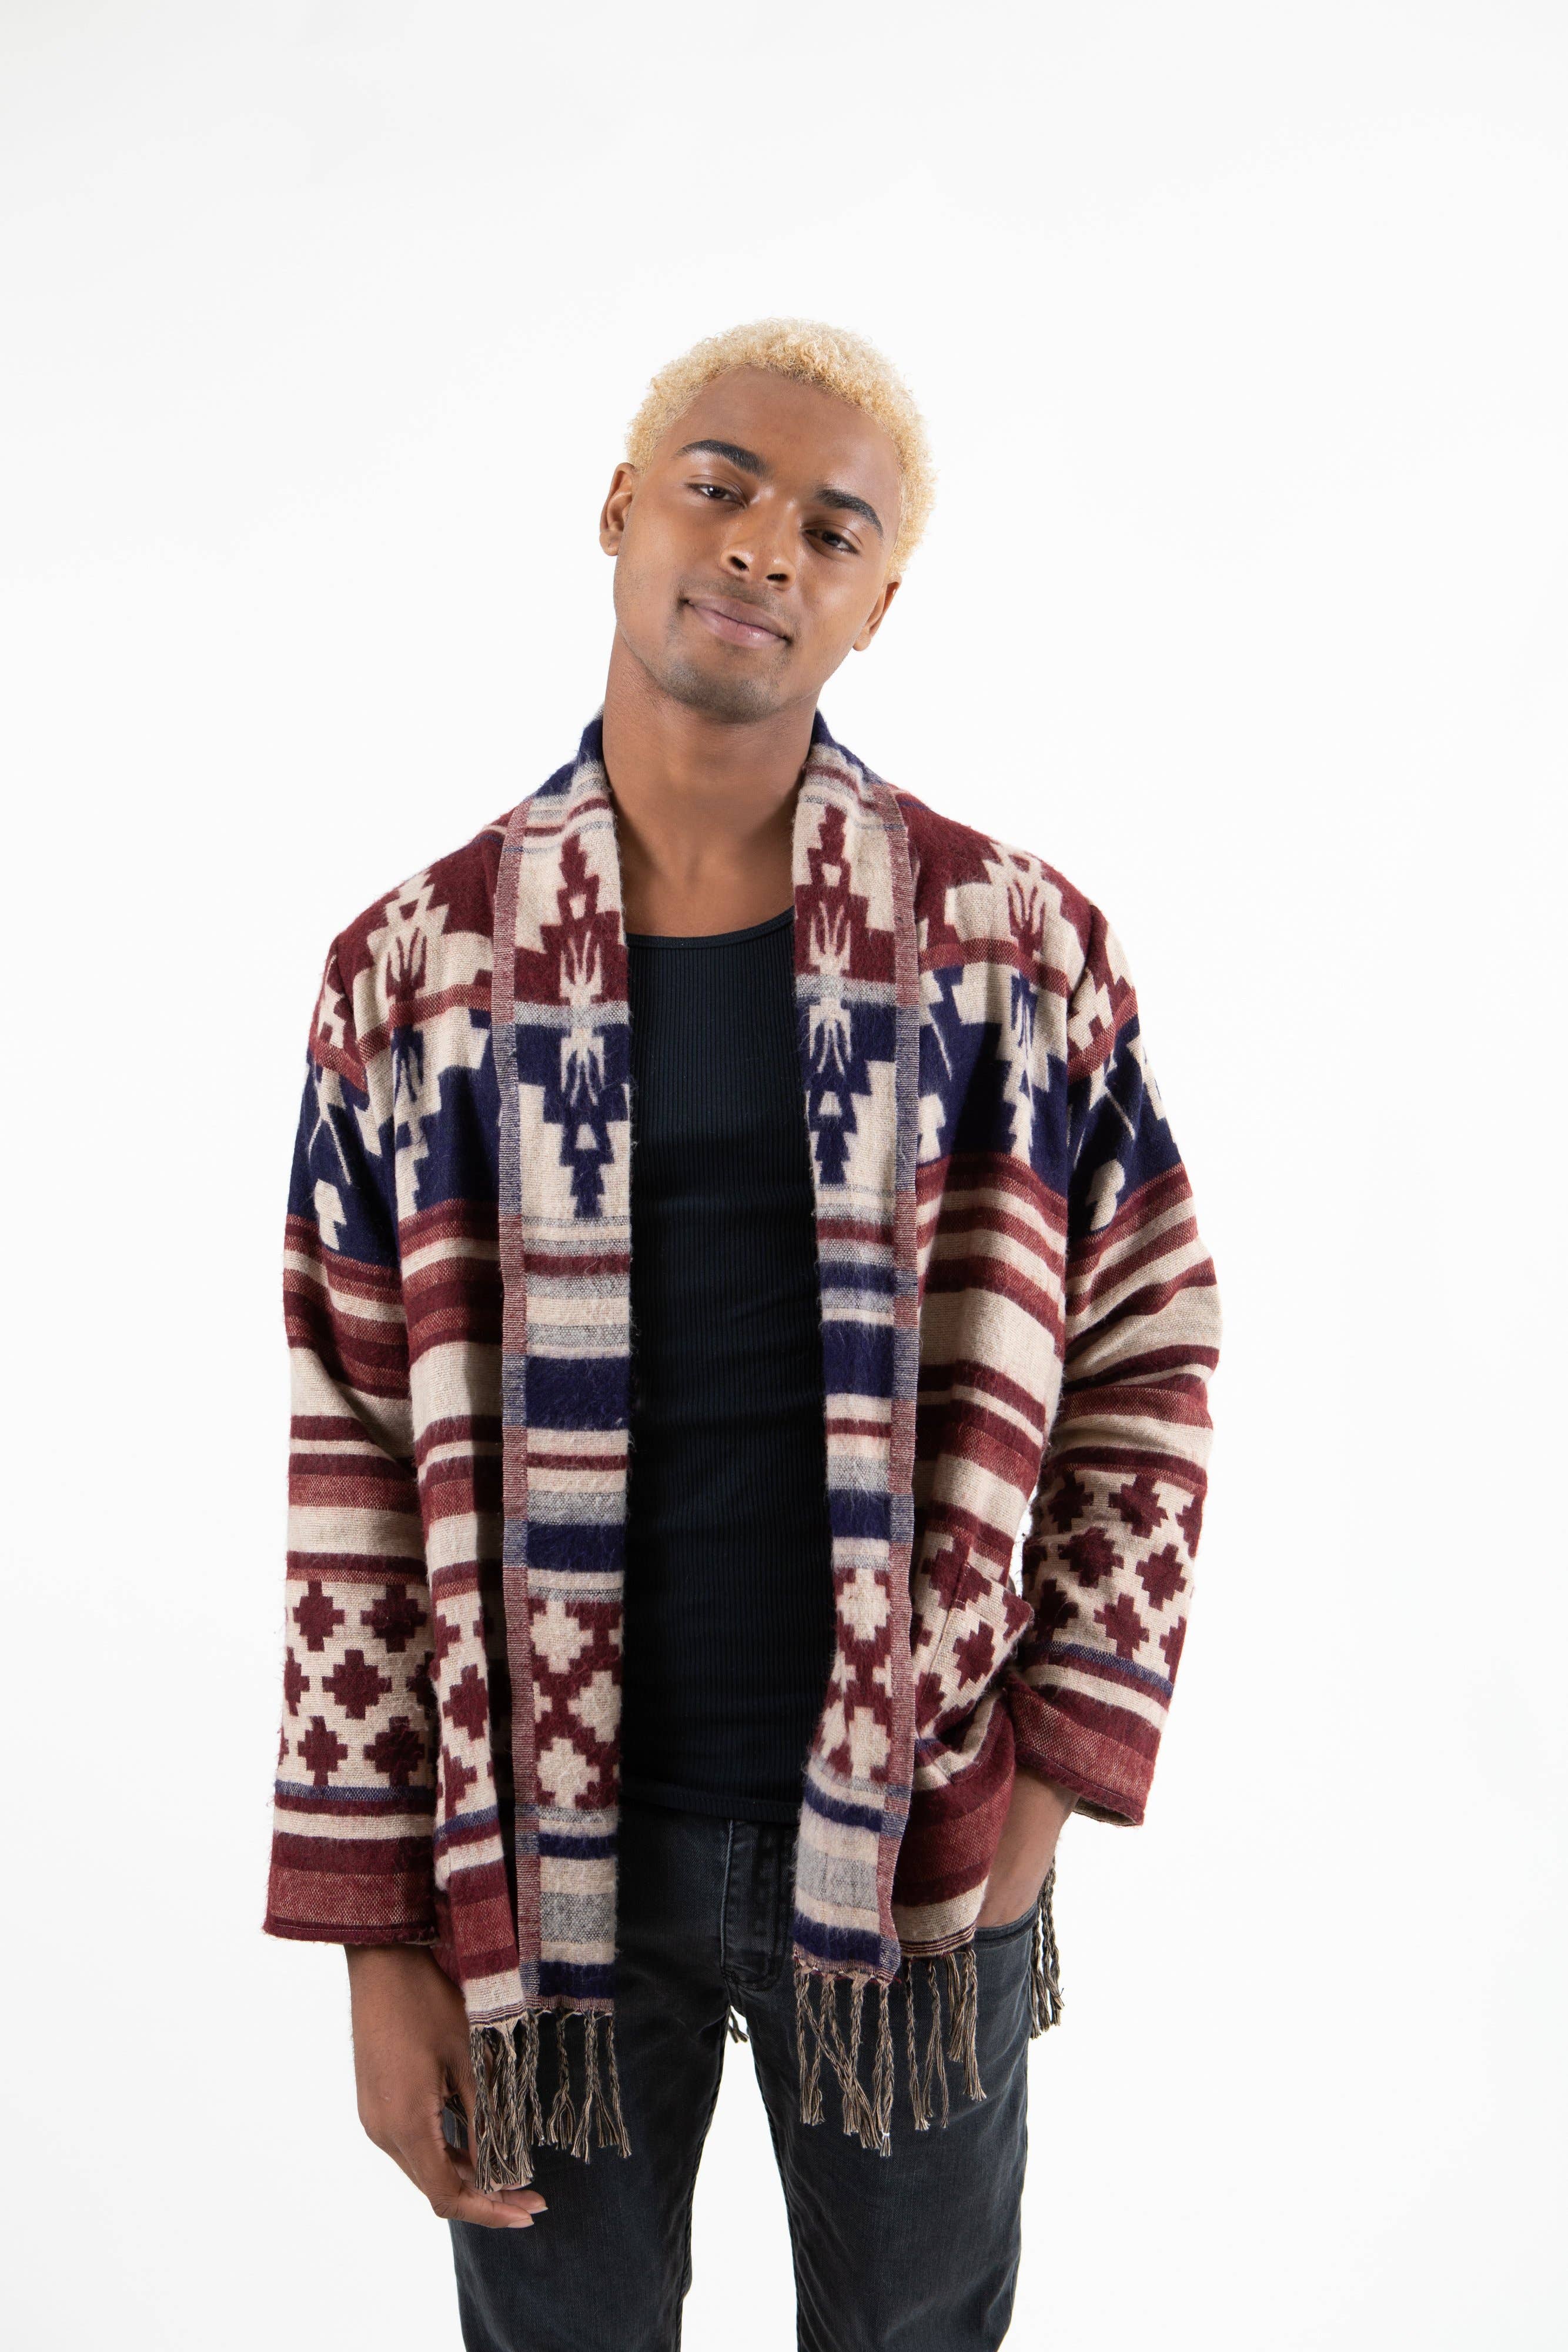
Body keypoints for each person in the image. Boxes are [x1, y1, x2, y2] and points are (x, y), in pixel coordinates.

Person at [264, 318, 1222, 2351]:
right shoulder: (412, 977)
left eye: (831, 528)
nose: (764, 543)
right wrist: (376, 1940)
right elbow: (346, 1450)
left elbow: (1149, 1350)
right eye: (718, 485)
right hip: (537, 1861)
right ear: (622, 511)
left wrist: (1035, 1791)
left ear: (877, 604)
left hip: (911, 1849)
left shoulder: (1009, 952)